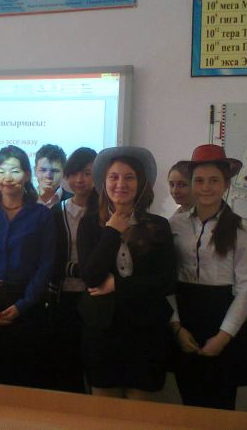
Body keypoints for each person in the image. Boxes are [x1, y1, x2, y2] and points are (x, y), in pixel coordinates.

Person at [77, 146, 176, 400]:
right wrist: (112, 231)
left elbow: (166, 281)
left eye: (129, 177)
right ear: (104, 182)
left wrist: (117, 285)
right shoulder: (89, 223)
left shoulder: (158, 225)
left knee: (139, 413)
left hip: (146, 333)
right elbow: (91, 277)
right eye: (114, 177)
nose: (121, 184)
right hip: (102, 333)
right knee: (103, 413)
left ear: (140, 183)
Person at [169, 144, 247, 410]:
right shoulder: (175, 224)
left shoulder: (241, 227)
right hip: (185, 316)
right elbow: (167, 280)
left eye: (214, 180)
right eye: (199, 180)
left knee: (221, 407)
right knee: (189, 403)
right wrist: (176, 327)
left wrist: (223, 337)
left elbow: (246, 288)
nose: (206, 187)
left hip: (223, 317)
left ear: (226, 184)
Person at [0, 145, 55, 388]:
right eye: (1, 170)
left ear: (27, 175)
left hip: (27, 304)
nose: (7, 177)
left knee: (23, 379)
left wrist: (22, 305)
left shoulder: (41, 215)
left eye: (14, 170)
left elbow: (46, 264)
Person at [48, 147, 97, 393]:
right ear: (67, 176)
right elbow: (50, 256)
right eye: (75, 173)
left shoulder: (106, 211)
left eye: (87, 173)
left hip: (96, 297)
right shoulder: (57, 212)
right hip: (64, 296)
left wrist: (86, 271)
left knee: (95, 364)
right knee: (66, 363)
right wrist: (80, 270)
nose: (80, 179)